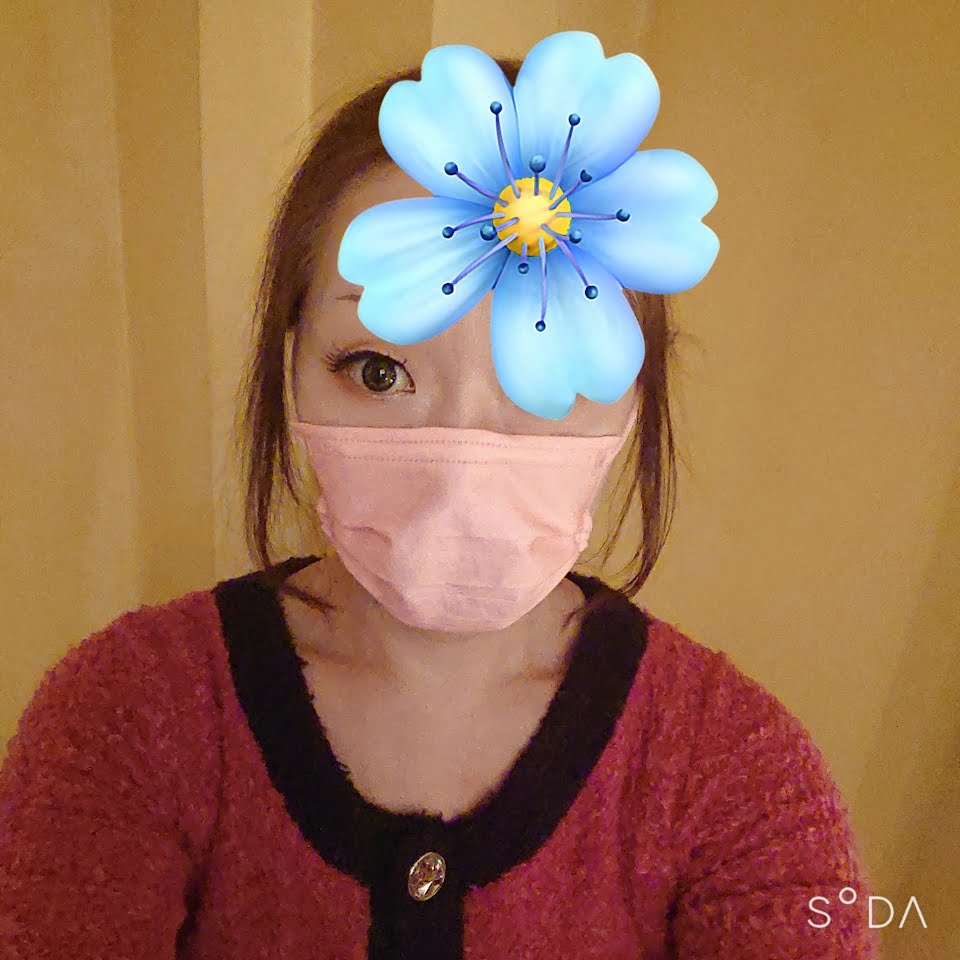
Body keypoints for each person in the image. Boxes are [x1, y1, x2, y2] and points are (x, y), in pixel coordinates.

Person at [0, 32, 879, 960]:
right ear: (290, 367)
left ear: (635, 397)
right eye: (378, 371)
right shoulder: (127, 715)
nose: (461, 464)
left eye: (544, 374)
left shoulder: (737, 771)